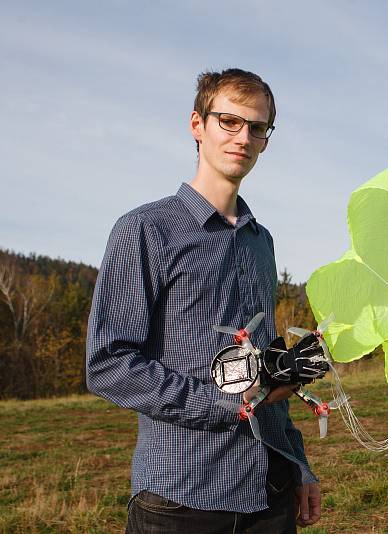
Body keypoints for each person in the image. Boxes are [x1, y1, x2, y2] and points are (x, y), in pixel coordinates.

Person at [87, 68, 321, 533]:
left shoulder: (262, 242)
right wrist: (225, 403)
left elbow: (264, 367)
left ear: (266, 140)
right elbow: (109, 365)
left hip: (268, 495)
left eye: (257, 127)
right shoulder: (145, 230)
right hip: (181, 498)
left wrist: (297, 462)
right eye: (228, 122)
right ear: (197, 125)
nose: (243, 137)